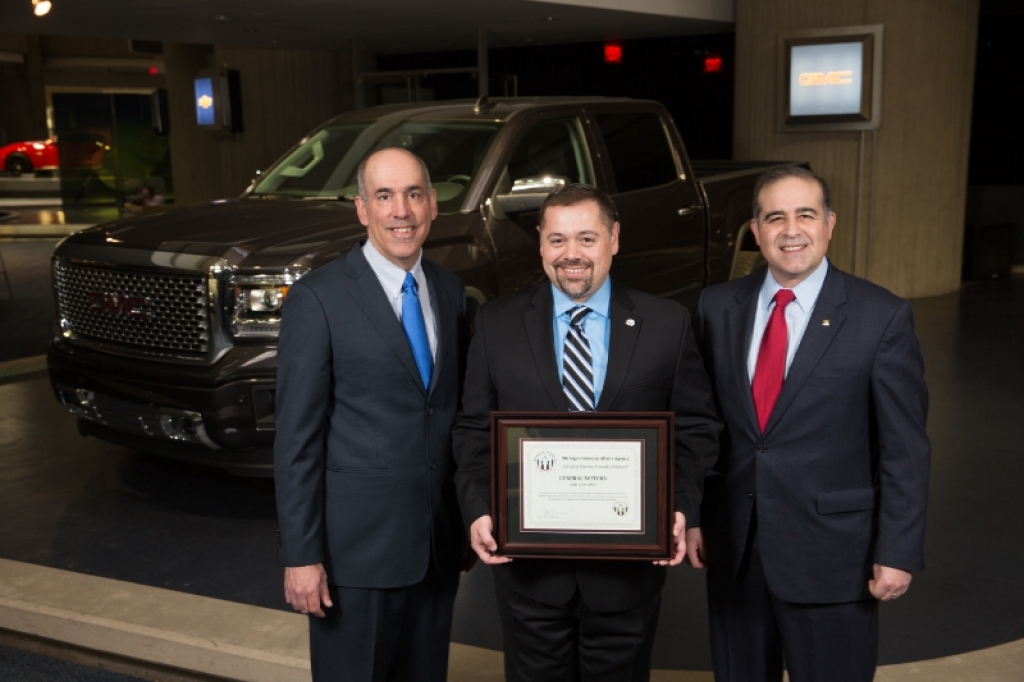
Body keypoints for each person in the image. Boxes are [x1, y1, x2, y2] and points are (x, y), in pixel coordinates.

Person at [453, 183, 722, 682]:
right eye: (557, 240)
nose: (571, 255)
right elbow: (473, 430)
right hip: (529, 570)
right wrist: (480, 507)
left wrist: (679, 507)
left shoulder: (667, 323)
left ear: (614, 239)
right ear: (540, 244)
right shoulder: (496, 323)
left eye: (586, 238)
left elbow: (697, 427)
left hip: (626, 577)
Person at [687, 165, 931, 681]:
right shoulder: (715, 308)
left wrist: (897, 549)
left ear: (829, 223)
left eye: (805, 214)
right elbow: (704, 427)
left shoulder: (880, 316)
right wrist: (695, 514)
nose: (790, 230)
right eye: (775, 217)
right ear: (756, 231)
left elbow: (904, 448)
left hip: (835, 558)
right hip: (736, 554)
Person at [274, 147, 468, 681]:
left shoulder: (451, 292)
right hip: (353, 560)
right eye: (384, 196)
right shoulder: (318, 299)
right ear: (363, 209)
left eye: (413, 194)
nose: (400, 210)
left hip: (434, 548)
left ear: (432, 205)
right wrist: (301, 555)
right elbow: (296, 440)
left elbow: (452, 418)